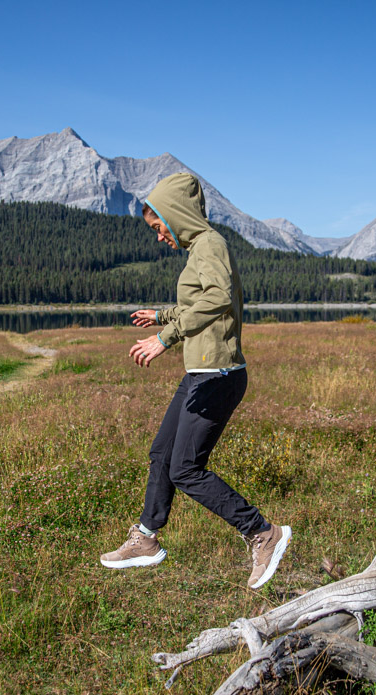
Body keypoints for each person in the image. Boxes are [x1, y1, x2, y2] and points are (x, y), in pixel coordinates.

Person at [99, 172, 292, 589]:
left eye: (158, 228)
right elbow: (200, 300)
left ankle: (262, 533)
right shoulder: (199, 250)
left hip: (219, 375)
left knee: (185, 468)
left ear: (176, 215)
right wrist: (162, 315)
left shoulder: (210, 245)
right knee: (162, 453)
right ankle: (146, 538)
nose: (159, 238)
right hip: (201, 373)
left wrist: (165, 336)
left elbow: (220, 297)